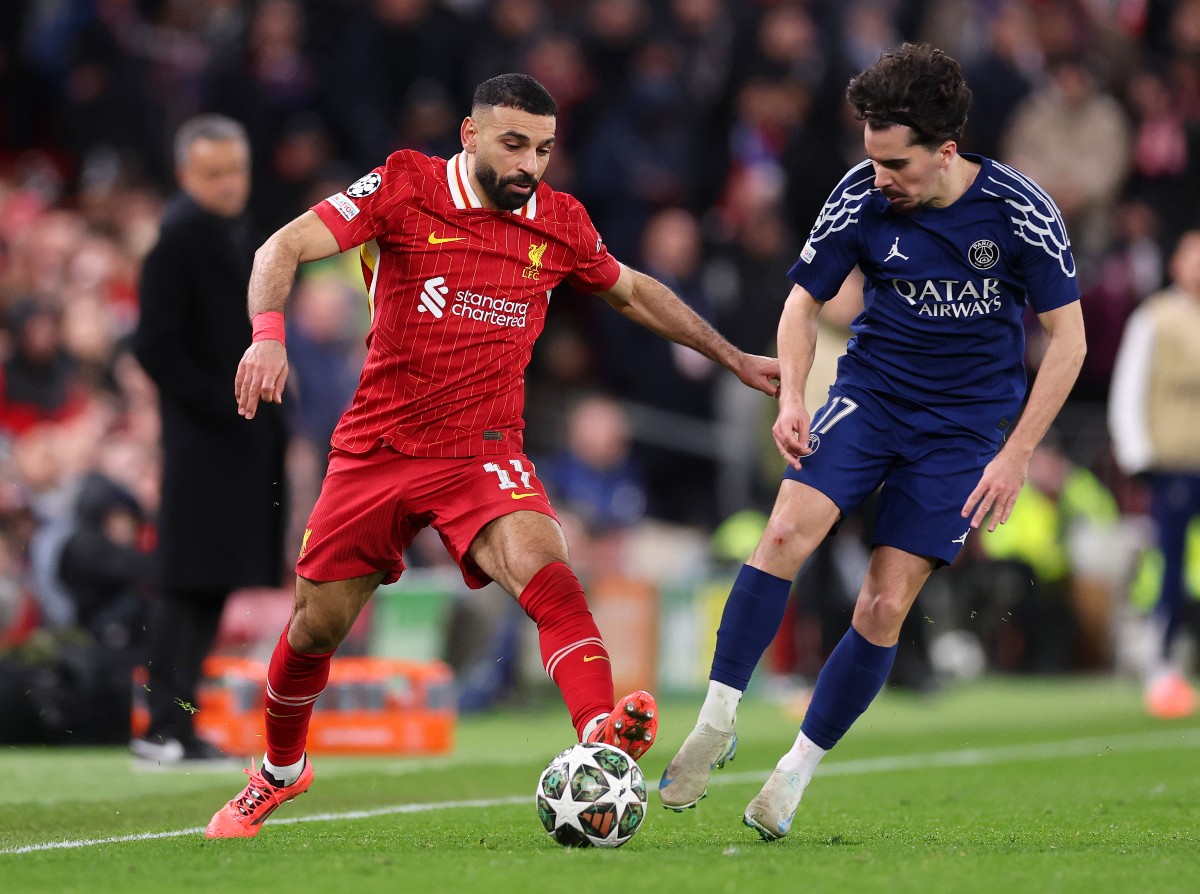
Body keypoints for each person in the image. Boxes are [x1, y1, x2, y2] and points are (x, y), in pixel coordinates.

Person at [206, 73, 779, 839]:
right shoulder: (405, 185)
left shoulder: (562, 223)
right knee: (314, 629)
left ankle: (599, 740)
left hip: (482, 450)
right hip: (376, 448)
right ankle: (279, 772)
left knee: (549, 574)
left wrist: (733, 355)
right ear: (471, 136)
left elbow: (636, 292)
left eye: (543, 149)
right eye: (514, 145)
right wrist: (268, 336)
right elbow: (282, 245)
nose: (529, 166)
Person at [658, 44, 1086, 840]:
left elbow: (1070, 342)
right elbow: (798, 305)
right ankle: (717, 719)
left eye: (896, 162)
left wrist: (1017, 452)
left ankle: (793, 775)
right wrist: (793, 396)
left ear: (946, 151)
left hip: (963, 430)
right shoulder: (860, 193)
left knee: (885, 603)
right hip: (872, 397)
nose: (880, 175)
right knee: (783, 532)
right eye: (872, 157)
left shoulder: (1021, 210)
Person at [132, 115, 289, 763]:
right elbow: (154, 349)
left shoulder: (238, 234)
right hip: (204, 441)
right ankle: (164, 723)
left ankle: (176, 721)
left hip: (236, 441)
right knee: (186, 581)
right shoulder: (176, 242)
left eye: (235, 170)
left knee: (210, 582)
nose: (228, 184)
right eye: (213, 173)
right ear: (184, 176)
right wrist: (220, 401)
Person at [1109, 229, 1200, 718]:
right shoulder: (1155, 318)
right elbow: (1130, 386)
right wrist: (1135, 451)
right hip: (1173, 465)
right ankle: (1161, 661)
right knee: (1169, 565)